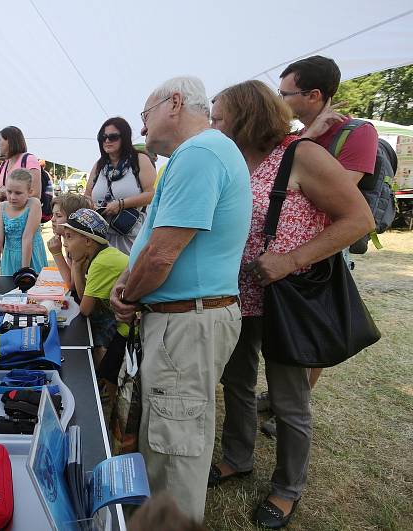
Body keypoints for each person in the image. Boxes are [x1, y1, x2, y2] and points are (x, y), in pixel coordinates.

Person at [208, 80, 373, 528]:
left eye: (219, 117)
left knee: (288, 399)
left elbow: (360, 218)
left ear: (245, 116)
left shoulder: (301, 155)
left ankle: (286, 489)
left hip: (288, 296)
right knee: (237, 384)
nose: (212, 124)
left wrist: (291, 260)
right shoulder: (232, 159)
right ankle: (238, 458)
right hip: (237, 294)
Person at [110, 76, 252, 522]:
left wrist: (129, 295)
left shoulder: (200, 153)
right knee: (170, 435)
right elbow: (155, 245)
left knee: (175, 450)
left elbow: (164, 252)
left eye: (144, 114)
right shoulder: (198, 154)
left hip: (186, 321)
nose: (142, 127)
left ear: (173, 103)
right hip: (183, 318)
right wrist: (130, 283)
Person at [275, 55, 380, 398]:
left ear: (314, 95)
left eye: (286, 94)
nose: (280, 101)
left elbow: (340, 191)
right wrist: (308, 138)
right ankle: (285, 396)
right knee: (288, 325)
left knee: (313, 325)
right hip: (290, 247)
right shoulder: (300, 135)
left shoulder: (358, 132)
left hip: (326, 246)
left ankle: (298, 402)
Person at [60, 208, 129, 368]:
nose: (65, 242)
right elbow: (83, 294)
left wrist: (76, 267)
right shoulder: (101, 255)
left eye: (69, 237)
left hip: (126, 327)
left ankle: (105, 380)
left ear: (88, 241)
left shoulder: (101, 263)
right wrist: (76, 266)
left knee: (95, 334)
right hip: (118, 317)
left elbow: (85, 309)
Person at [85, 117, 157, 253]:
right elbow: (87, 194)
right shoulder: (99, 165)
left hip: (131, 237)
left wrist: (121, 204)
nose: (107, 141)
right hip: (101, 237)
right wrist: (91, 204)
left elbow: (151, 194)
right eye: (103, 137)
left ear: (124, 137)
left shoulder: (140, 160)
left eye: (113, 137)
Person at [0, 169, 48, 278]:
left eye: (18, 193)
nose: (12, 197)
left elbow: (27, 237)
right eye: (9, 191)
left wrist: (24, 271)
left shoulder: (33, 204)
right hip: (10, 257)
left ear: (30, 192)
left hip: (31, 255)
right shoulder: (1, 208)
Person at [46, 193, 92, 288]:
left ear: (74, 220)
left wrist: (57, 253)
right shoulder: (69, 240)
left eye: (58, 216)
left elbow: (72, 285)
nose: (52, 219)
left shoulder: (80, 245)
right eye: (53, 215)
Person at [0, 125, 42, 199]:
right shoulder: (3, 165)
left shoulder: (29, 160)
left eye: (0, 140)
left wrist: (5, 193)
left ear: (9, 141)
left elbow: (35, 194)